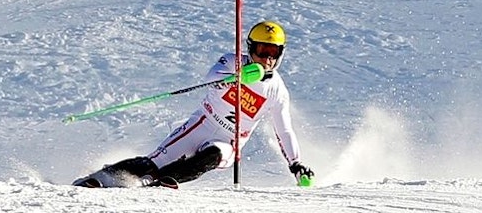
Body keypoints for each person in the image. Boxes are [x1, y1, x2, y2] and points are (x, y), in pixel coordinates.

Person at [73, 20, 314, 188]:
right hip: (202, 124)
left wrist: (296, 164)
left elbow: (284, 130)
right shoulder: (232, 62)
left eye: (273, 52)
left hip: (230, 139)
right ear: (251, 49)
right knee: (154, 161)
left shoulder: (278, 91)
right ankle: (99, 178)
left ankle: (157, 184)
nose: (267, 59)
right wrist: (235, 78)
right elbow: (211, 78)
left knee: (213, 155)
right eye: (262, 50)